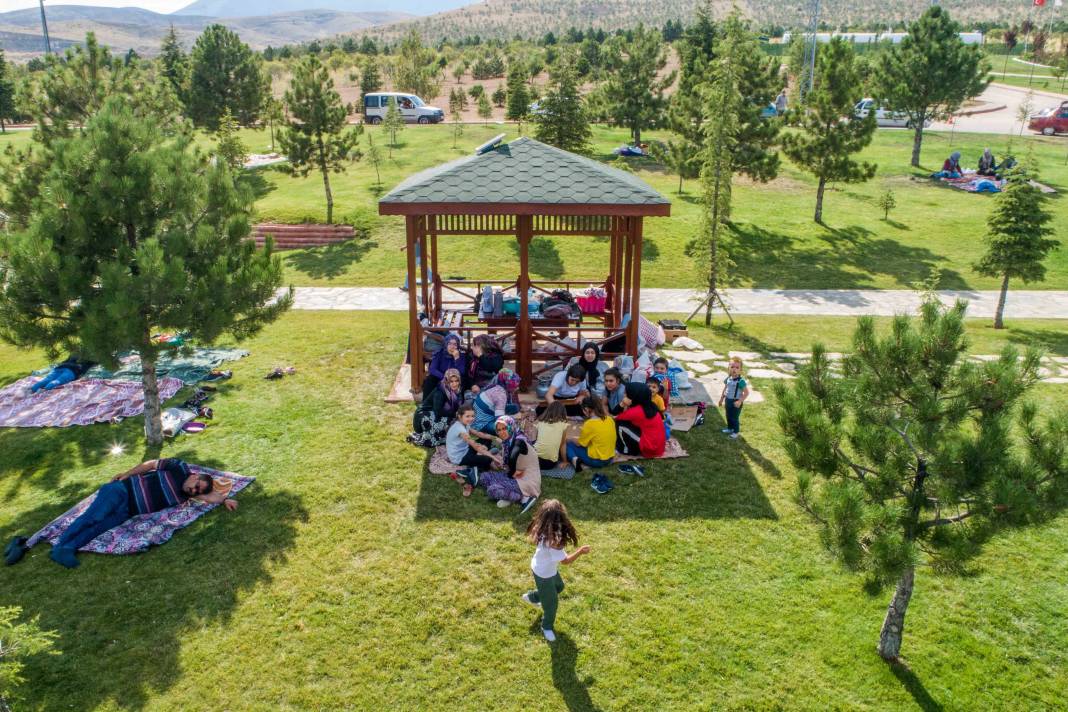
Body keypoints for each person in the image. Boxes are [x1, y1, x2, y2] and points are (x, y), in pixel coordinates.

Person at [4, 459, 237, 569]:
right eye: (197, 486)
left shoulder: (187, 496)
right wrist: (127, 474)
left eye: (198, 492)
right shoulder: (179, 468)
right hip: (120, 491)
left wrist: (225, 499)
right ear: (195, 477)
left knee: (99, 527)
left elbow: (211, 497)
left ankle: (67, 548)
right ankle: (61, 545)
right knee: (92, 517)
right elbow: (151, 464)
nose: (195, 491)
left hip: (128, 510)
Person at [521, 499, 591, 642]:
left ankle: (533, 597)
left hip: (545, 569)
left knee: (559, 587)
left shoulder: (543, 527)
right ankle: (546, 627)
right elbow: (565, 562)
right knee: (551, 605)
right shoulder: (553, 541)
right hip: (544, 574)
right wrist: (580, 551)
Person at [476, 416, 539, 513]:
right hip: (516, 475)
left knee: (492, 490)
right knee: (484, 477)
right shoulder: (507, 441)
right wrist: (505, 467)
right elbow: (509, 461)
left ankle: (523, 498)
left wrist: (511, 473)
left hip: (526, 480)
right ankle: (508, 496)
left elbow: (513, 457)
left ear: (511, 426)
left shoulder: (519, 440)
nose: (501, 432)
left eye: (504, 428)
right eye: (499, 430)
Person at [446, 404, 499, 493]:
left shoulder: (464, 424)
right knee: (488, 459)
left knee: (486, 440)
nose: (471, 419)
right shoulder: (460, 429)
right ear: (460, 416)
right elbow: (475, 446)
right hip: (459, 457)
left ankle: (474, 465)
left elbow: (479, 434)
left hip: (465, 449)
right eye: (468, 416)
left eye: (472, 416)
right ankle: (472, 470)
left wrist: (496, 438)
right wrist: (494, 458)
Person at [409, 368, 462, 447]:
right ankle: (429, 438)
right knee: (449, 420)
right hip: (422, 418)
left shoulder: (456, 390)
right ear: (447, 381)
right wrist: (454, 415)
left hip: (433, 416)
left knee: (454, 421)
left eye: (456, 381)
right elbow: (437, 412)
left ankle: (442, 436)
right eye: (451, 381)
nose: (454, 384)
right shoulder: (440, 392)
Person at [614, 382, 666, 458]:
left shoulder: (637, 411)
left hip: (650, 450)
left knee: (620, 424)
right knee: (626, 423)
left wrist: (622, 404)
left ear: (634, 395)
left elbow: (615, 417)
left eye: (626, 393)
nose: (624, 395)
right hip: (658, 447)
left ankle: (625, 450)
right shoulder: (650, 405)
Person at [566, 394, 616, 472]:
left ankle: (574, 460)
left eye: (583, 410)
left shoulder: (589, 423)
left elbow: (581, 444)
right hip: (610, 457)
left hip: (597, 461)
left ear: (586, 409)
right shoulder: (610, 419)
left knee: (568, 445)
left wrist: (571, 439)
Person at [470, 368, 520, 441]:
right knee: (510, 428)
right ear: (508, 384)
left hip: (483, 412)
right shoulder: (501, 395)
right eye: (515, 385)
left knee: (515, 407)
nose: (517, 387)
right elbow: (499, 421)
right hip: (481, 423)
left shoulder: (496, 385)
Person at [423, 333, 467, 399]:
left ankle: (456, 402)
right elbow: (432, 369)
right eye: (449, 344)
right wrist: (445, 377)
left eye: (455, 344)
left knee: (463, 380)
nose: (452, 346)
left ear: (458, 346)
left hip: (455, 380)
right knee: (430, 379)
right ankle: (425, 404)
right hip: (442, 378)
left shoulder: (461, 356)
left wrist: (457, 359)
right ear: (446, 344)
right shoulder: (440, 353)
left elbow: (462, 372)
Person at [718, 357, 750, 440]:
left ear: (740, 370)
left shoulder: (741, 381)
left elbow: (746, 393)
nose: (734, 369)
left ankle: (736, 432)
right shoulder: (728, 379)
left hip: (736, 402)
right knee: (728, 415)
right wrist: (721, 399)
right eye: (732, 367)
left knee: (734, 417)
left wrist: (740, 401)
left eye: (737, 367)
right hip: (728, 400)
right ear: (728, 368)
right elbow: (725, 389)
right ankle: (729, 428)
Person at [29, 355, 97, 394]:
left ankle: (32, 390)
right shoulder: (92, 356)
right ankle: (44, 391)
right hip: (72, 370)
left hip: (60, 367)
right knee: (58, 380)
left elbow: (64, 361)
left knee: (47, 379)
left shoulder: (75, 351)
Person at [534, 401, 569, 471]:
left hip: (535, 460)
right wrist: (565, 461)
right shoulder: (563, 425)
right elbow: (562, 445)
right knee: (565, 443)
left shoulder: (540, 422)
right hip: (550, 464)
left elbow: (537, 439)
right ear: (562, 412)